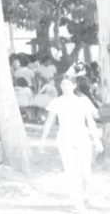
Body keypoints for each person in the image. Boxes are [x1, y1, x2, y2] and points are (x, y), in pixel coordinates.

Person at [40, 76, 102, 211]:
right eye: (63, 84)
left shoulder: (83, 101)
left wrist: (97, 141)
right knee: (71, 171)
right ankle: (77, 202)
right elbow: (49, 122)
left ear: (74, 86)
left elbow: (90, 121)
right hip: (64, 138)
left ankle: (86, 195)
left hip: (82, 137)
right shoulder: (56, 102)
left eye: (68, 84)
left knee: (85, 173)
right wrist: (42, 142)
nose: (66, 87)